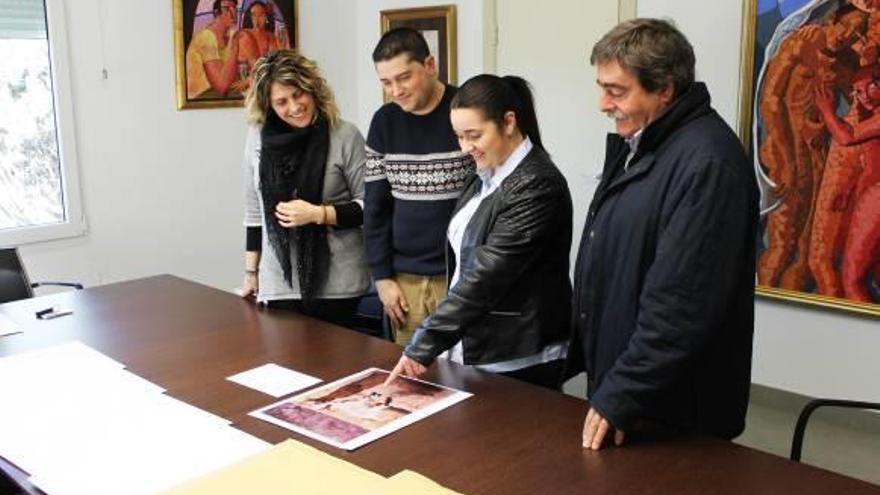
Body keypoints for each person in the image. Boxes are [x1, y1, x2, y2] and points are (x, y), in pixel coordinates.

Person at [569, 19, 759, 450]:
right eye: (602, 87)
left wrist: (622, 392)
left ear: (665, 89)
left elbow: (681, 304)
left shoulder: (706, 163)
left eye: (616, 91)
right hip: (633, 388)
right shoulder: (643, 142)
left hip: (670, 408)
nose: (602, 103)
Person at [384, 74, 572, 390]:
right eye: (459, 136)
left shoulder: (537, 184)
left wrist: (425, 343)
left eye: (474, 135)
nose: (465, 148)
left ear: (509, 122)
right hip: (477, 343)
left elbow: (486, 275)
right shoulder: (484, 176)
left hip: (517, 354)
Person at [240, 50, 370, 329]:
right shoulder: (257, 139)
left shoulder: (345, 135)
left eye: (299, 94)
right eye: (282, 102)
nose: (295, 106)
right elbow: (255, 214)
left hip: (339, 285)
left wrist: (318, 214)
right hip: (279, 283)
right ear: (268, 106)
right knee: (286, 368)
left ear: (313, 89)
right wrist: (251, 273)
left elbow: (369, 207)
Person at [365, 28, 474, 346]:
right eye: (386, 82)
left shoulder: (465, 112)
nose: (395, 90)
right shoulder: (384, 122)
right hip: (405, 281)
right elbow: (375, 208)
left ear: (430, 65)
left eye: (403, 78)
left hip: (459, 277)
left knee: (466, 380)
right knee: (412, 382)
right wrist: (382, 278)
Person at [185, 0, 245, 99]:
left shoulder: (230, 36)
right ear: (216, 13)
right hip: (200, 98)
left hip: (219, 95)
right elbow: (221, 86)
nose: (233, 14)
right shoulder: (206, 37)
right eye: (226, 9)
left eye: (234, 9)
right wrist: (235, 46)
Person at [238, 1, 284, 68]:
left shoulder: (271, 37)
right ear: (250, 17)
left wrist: (281, 49)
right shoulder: (245, 35)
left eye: (261, 15)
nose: (257, 19)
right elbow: (254, 63)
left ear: (266, 18)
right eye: (254, 15)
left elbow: (275, 61)